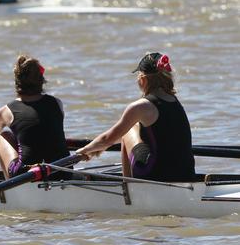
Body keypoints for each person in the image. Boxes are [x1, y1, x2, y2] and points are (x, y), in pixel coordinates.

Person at [77, 52, 196, 182]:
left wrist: (86, 149)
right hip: (187, 175)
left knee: (127, 132)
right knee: (135, 127)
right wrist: (99, 147)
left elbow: (108, 138)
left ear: (143, 79)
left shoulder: (141, 106)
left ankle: (128, 189)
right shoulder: (174, 101)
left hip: (156, 176)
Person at [0, 55, 70, 180]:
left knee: (4, 136)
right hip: (64, 170)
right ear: (41, 81)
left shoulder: (7, 111)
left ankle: (10, 188)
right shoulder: (57, 103)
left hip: (27, 175)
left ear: (17, 82)